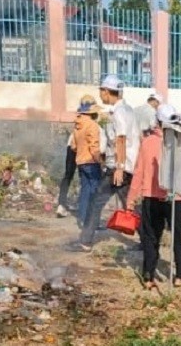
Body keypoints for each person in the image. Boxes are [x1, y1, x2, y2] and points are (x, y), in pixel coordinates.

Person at [128, 104, 181, 289]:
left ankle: (148, 276)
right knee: (176, 237)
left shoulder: (149, 142)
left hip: (153, 197)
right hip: (174, 197)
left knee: (151, 237)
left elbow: (138, 171)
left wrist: (131, 197)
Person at [80, 75, 139, 250]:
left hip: (119, 167)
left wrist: (119, 168)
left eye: (101, 90)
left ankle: (85, 241)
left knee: (96, 200)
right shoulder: (127, 110)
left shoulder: (119, 112)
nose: (100, 94)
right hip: (126, 165)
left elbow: (121, 139)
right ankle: (149, 240)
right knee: (129, 203)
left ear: (106, 91)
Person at [71, 97, 103, 233]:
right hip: (91, 162)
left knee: (85, 192)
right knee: (95, 194)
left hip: (80, 162)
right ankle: (92, 223)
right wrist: (100, 161)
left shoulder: (77, 125)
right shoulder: (92, 125)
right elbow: (94, 147)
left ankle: (83, 219)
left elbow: (73, 146)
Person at [55, 129, 76, 219]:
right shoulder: (93, 126)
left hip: (72, 145)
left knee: (68, 176)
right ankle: (84, 207)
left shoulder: (80, 121)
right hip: (81, 147)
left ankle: (61, 204)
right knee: (86, 177)